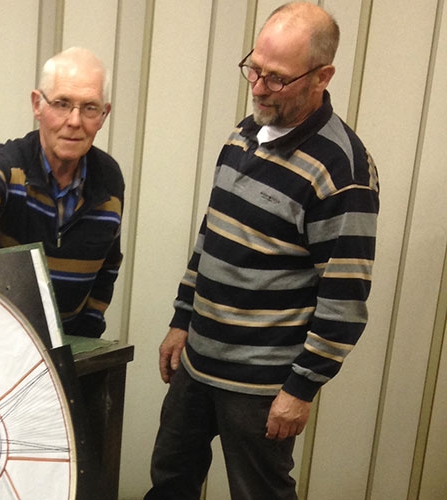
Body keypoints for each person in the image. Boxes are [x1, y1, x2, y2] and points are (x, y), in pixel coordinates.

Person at [145, 3, 379, 499]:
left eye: (276, 79)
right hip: (198, 362)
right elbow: (212, 236)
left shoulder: (343, 173)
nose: (257, 88)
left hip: (260, 388)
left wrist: (300, 390)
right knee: (169, 479)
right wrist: (181, 319)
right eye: (254, 69)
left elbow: (345, 301)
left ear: (322, 76)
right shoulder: (245, 132)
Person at [0, 47, 125, 339]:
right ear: (37, 105)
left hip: (71, 343)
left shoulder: (109, 178)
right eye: (62, 104)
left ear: (104, 115)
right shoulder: (8, 164)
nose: (75, 121)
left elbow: (109, 264)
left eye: (89, 107)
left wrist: (88, 330)